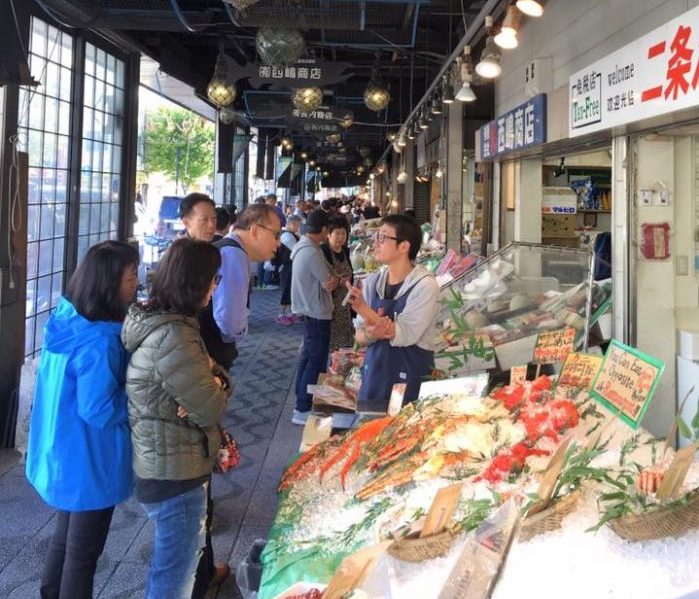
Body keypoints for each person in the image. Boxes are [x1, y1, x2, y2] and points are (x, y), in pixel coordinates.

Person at [26, 240, 139, 599]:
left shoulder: (67, 318)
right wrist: (139, 401)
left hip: (62, 449)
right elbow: (99, 408)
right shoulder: (101, 341)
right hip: (92, 459)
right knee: (83, 554)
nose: (136, 282)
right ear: (109, 283)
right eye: (131, 276)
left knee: (66, 537)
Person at [122, 238, 231, 599]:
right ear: (195, 281)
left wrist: (216, 381)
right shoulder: (174, 336)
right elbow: (211, 406)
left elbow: (214, 383)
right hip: (174, 472)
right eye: (214, 278)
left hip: (168, 463)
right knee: (175, 576)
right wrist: (216, 384)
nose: (217, 286)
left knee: (177, 563)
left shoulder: (170, 324)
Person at [345, 214, 440, 411]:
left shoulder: (425, 286)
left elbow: (402, 333)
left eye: (383, 237)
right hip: (374, 378)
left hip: (410, 381)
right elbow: (359, 336)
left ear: (404, 246)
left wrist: (362, 308)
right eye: (376, 236)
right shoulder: (372, 283)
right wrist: (369, 334)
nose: (375, 243)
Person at [202, 204, 281, 367]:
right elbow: (230, 322)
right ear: (255, 230)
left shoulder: (227, 248)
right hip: (209, 350)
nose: (278, 243)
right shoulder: (234, 255)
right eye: (276, 235)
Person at [291, 210, 340, 424]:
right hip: (316, 311)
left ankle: (301, 400)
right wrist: (337, 280)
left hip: (310, 309)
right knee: (316, 361)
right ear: (323, 230)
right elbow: (328, 280)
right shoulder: (311, 251)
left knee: (309, 358)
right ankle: (303, 407)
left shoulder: (306, 247)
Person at [321, 215, 354, 350]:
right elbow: (323, 278)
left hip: (345, 305)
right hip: (330, 305)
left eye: (344, 233)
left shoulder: (346, 251)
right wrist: (338, 281)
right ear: (328, 234)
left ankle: (341, 368)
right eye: (337, 233)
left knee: (346, 342)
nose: (341, 237)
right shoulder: (323, 251)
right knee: (330, 343)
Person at [276, 214, 302, 325]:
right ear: (292, 223)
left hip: (291, 266)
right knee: (286, 289)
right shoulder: (286, 236)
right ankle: (281, 314)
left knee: (291, 289)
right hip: (286, 266)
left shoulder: (290, 234)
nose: (298, 228)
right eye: (297, 225)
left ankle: (290, 313)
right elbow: (296, 249)